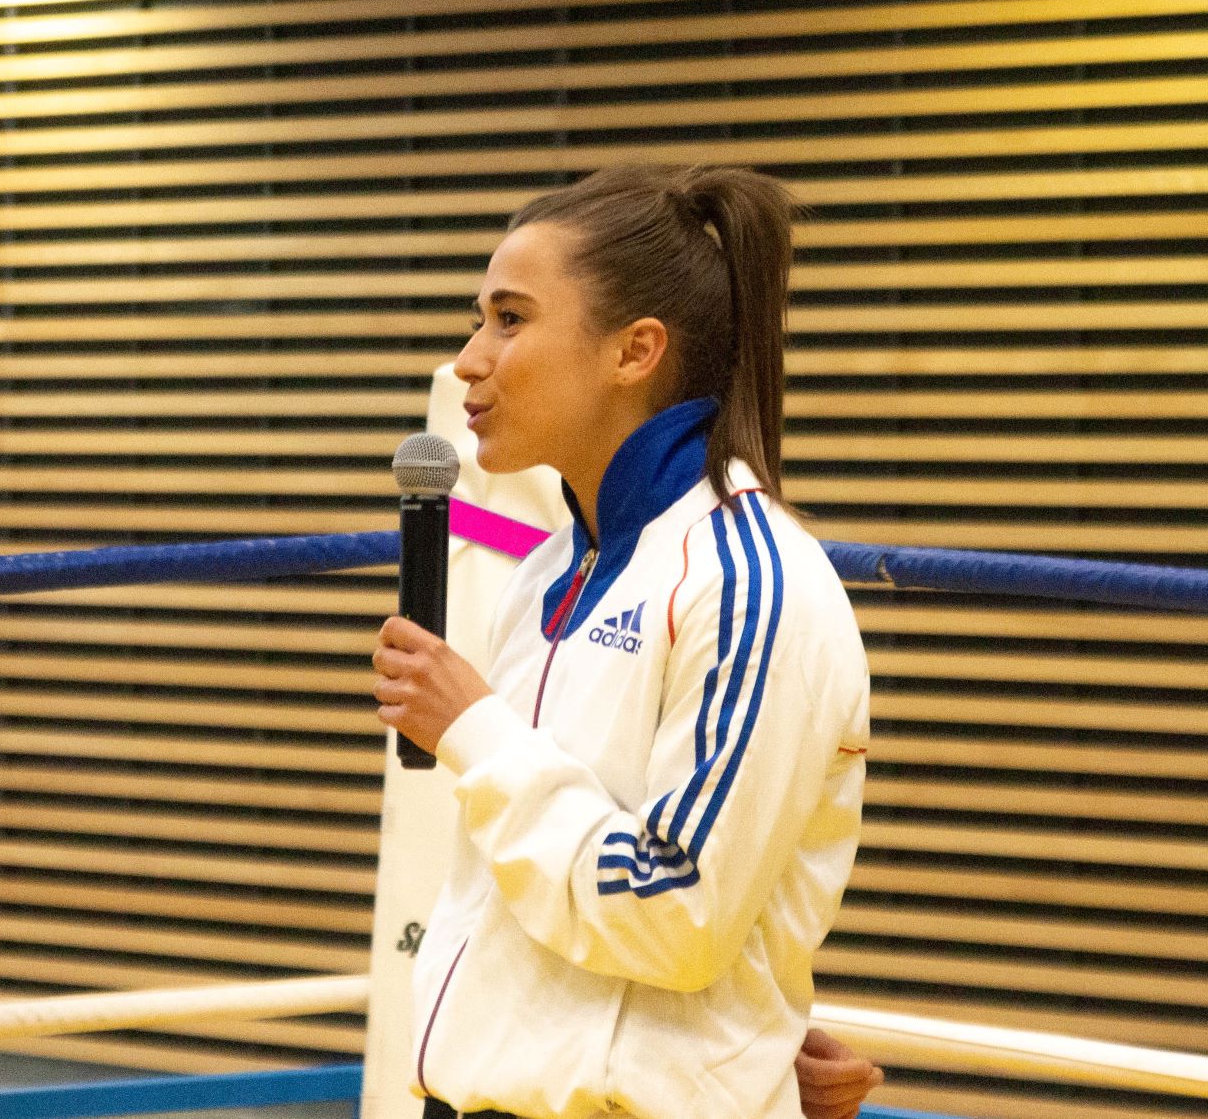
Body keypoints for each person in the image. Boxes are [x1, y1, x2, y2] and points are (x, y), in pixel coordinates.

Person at [372, 164, 881, 1119]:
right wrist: (738, 1025)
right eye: (478, 318)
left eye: (510, 318)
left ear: (635, 350)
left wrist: (475, 729)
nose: (469, 360)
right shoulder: (550, 568)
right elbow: (549, 898)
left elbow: (674, 909)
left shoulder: (751, 583)